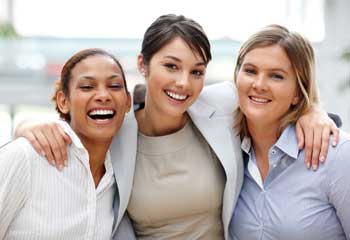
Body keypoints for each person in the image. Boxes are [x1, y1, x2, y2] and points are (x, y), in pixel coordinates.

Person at [14, 15, 339, 240]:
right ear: (143, 64)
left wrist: (313, 111)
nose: (184, 83)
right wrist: (24, 124)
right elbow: (74, 121)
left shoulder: (221, 105)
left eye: (197, 71)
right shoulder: (117, 130)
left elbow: (275, 99)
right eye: (171, 66)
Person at [229, 25, 350, 240]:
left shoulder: (338, 155)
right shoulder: (228, 146)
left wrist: (313, 109)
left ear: (297, 91)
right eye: (250, 71)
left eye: (276, 76)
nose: (259, 84)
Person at [0, 48, 136, 239]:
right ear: (63, 101)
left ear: (128, 102)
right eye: (87, 87)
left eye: (114, 86)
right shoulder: (26, 156)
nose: (103, 95)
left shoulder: (119, 176)